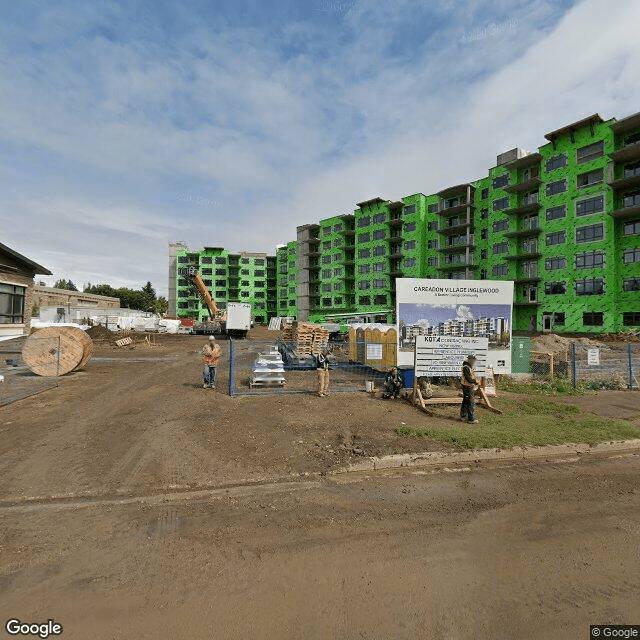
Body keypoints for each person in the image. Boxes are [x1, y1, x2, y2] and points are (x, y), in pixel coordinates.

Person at [460, 353, 479, 424]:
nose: (473, 361)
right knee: (471, 403)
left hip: (468, 386)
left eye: (474, 360)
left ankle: (463, 416)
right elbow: (468, 378)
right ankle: (471, 419)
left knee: (466, 402)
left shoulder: (468, 367)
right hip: (468, 386)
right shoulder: (466, 367)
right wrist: (475, 381)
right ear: (469, 360)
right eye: (472, 360)